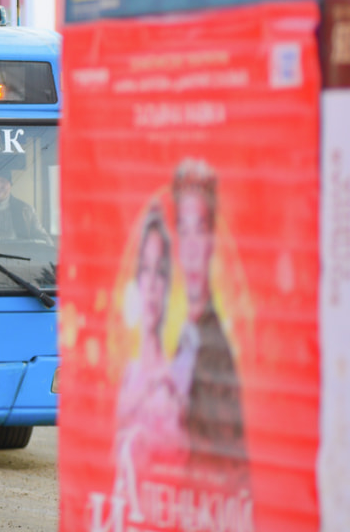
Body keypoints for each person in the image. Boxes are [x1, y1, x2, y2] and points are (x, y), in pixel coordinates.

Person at [168, 158, 249, 493]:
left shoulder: (217, 347)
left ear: (213, 240)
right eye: (182, 231)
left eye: (199, 230)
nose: (190, 247)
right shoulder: (178, 335)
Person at [114, 206, 187, 474]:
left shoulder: (181, 374)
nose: (153, 285)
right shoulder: (124, 375)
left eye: (161, 271)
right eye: (145, 269)